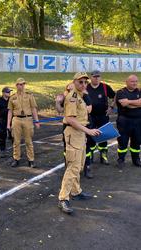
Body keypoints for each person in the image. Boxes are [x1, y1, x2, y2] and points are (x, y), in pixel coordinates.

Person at [58, 72, 100, 215]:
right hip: (74, 133)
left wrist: (85, 132)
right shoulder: (72, 98)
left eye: (85, 82)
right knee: (73, 167)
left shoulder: (81, 96)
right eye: (80, 82)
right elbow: (70, 119)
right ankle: (63, 198)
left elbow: (88, 109)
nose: (83, 85)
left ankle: (75, 191)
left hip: (80, 134)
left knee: (79, 165)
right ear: (74, 82)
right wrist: (88, 131)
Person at [56, 82, 94, 178]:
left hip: (83, 125)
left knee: (86, 147)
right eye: (68, 90)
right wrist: (57, 101)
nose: (70, 91)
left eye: (72, 89)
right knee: (67, 148)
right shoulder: (68, 98)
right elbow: (60, 110)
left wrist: (75, 107)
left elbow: (89, 109)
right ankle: (69, 166)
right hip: (69, 126)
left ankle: (87, 166)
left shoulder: (84, 96)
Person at [7, 78, 40, 168]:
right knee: (16, 141)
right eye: (20, 84)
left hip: (27, 119)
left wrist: (36, 120)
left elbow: (33, 108)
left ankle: (31, 160)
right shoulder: (12, 97)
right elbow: (10, 111)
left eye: (23, 84)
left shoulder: (29, 96)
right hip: (16, 119)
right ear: (16, 85)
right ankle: (16, 159)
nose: (22, 86)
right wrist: (8, 124)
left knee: (28, 141)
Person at [86, 70, 115, 165]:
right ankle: (90, 156)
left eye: (98, 76)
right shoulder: (86, 87)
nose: (96, 78)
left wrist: (111, 107)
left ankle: (104, 156)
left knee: (103, 136)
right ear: (91, 77)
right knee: (90, 137)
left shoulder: (105, 87)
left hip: (103, 116)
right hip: (90, 117)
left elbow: (115, 96)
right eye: (94, 76)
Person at [115, 75, 141, 168]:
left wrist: (129, 102)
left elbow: (127, 103)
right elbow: (124, 104)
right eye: (132, 81)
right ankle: (121, 159)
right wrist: (137, 103)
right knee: (123, 141)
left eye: (136, 81)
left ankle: (136, 159)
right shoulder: (121, 92)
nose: (135, 83)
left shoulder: (139, 91)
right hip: (124, 121)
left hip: (138, 121)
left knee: (137, 141)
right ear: (126, 82)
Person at [0, 87, 13, 158]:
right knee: (3, 134)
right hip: (3, 119)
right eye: (7, 92)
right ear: (3, 93)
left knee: (13, 134)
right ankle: (2, 150)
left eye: (9, 92)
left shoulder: (11, 99)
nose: (9, 93)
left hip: (11, 119)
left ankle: (15, 150)